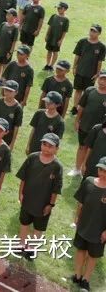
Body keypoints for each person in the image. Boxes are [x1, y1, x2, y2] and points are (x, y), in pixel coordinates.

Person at [16, 132, 63, 260]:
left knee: (38, 227)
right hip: (28, 198)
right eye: (44, 144)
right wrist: (21, 193)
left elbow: (56, 189)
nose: (46, 148)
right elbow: (23, 178)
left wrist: (51, 204)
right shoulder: (32, 158)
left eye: (50, 146)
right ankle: (21, 244)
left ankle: (32, 249)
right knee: (24, 222)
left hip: (43, 203)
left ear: (56, 149)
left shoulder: (57, 167)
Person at [72, 157, 106, 290]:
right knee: (81, 249)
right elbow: (81, 202)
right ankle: (77, 275)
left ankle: (86, 280)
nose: (102, 173)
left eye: (105, 171)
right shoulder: (89, 181)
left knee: (93, 255)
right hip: (84, 224)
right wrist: (77, 217)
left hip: (99, 230)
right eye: (100, 170)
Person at [73, 72, 106, 177]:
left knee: (92, 151)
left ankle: (87, 169)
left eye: (105, 80)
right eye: (101, 79)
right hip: (85, 125)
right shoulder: (89, 90)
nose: (102, 82)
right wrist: (77, 121)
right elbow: (81, 107)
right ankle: (77, 169)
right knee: (82, 147)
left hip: (98, 130)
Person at [73, 25, 106, 112]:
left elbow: (100, 61)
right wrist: (74, 67)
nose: (92, 32)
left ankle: (81, 108)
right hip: (80, 71)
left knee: (87, 92)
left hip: (91, 74)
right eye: (91, 30)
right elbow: (77, 55)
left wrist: (97, 73)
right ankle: (75, 107)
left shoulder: (101, 46)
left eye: (94, 31)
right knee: (78, 90)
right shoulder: (82, 41)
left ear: (99, 33)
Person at [43, 1, 70, 72]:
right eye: (58, 8)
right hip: (51, 37)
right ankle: (47, 64)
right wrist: (47, 35)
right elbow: (50, 26)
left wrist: (61, 40)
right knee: (49, 50)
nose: (58, 9)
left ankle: (52, 65)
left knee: (55, 52)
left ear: (64, 9)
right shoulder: (54, 16)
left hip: (57, 39)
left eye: (60, 8)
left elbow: (64, 31)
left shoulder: (66, 20)